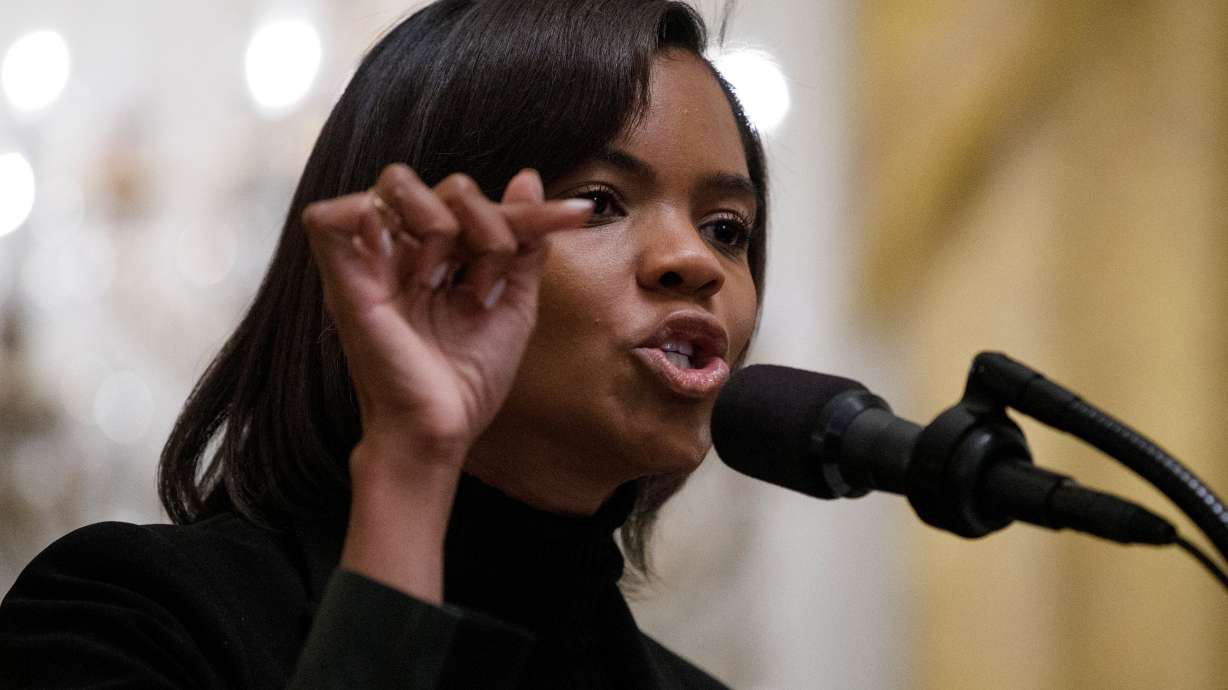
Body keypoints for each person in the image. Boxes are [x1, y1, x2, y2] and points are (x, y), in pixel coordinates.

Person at [0, 0, 768, 687]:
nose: (696, 262)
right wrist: (413, 457)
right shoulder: (132, 619)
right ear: (419, 246)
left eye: (727, 229)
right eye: (599, 202)